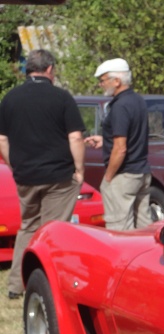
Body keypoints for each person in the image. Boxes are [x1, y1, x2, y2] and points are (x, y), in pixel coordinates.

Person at [0, 49, 85, 300]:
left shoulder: (10, 98)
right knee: (53, 231)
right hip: (58, 176)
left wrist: (14, 165)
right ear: (49, 70)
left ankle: (16, 283)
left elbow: (2, 139)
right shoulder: (61, 98)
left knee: (28, 227)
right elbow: (76, 137)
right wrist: (80, 170)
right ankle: (50, 281)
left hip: (26, 175)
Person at [84, 58, 151, 231]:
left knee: (119, 229)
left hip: (124, 175)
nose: (101, 84)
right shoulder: (138, 100)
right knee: (145, 226)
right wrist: (105, 140)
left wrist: (108, 176)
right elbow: (132, 135)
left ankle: (124, 259)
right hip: (141, 172)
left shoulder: (120, 106)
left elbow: (120, 148)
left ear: (117, 81)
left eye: (103, 80)